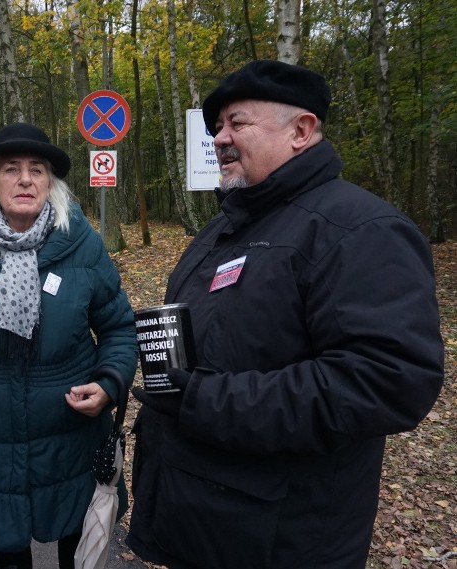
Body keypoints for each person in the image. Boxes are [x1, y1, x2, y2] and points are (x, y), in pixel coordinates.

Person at [125, 60, 444, 569]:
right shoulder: (224, 229)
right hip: (202, 521)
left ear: (301, 130)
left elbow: (388, 380)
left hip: (279, 539)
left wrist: (206, 400)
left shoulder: (359, 230)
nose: (220, 138)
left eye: (237, 123)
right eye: (216, 128)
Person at [0, 122, 138, 569]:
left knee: (76, 553)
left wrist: (109, 383)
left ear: (50, 183)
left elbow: (118, 328)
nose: (25, 179)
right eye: (11, 169)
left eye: (37, 170)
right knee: (5, 553)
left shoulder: (82, 246)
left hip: (71, 438)